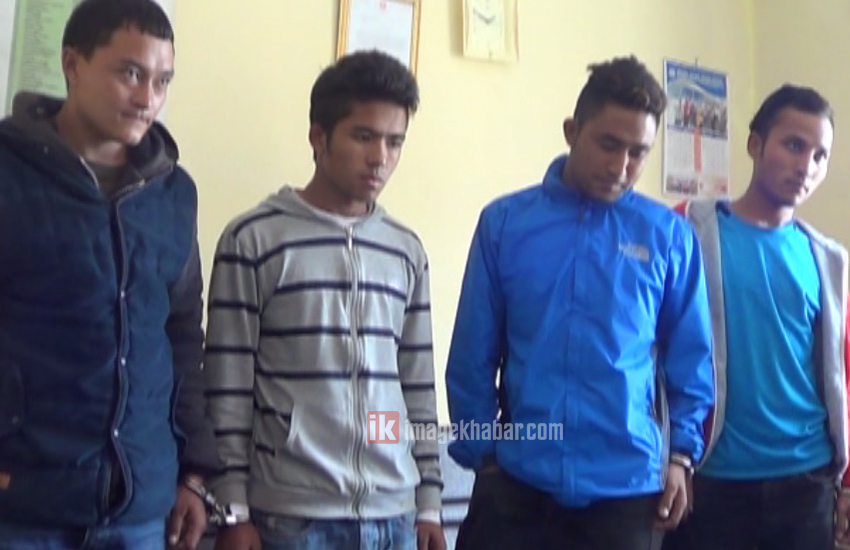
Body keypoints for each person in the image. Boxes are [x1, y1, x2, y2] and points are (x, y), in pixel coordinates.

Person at [444, 56, 715, 550]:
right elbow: (472, 354)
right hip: (517, 483)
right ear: (572, 131)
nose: (620, 167)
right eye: (608, 145)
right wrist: (482, 453)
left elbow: (691, 359)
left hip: (625, 490)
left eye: (638, 152)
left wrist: (681, 456)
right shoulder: (506, 224)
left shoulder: (668, 237)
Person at [204, 50, 445, 550]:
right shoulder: (254, 239)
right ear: (319, 137)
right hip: (292, 517)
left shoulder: (405, 250)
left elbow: (415, 386)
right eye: (363, 136)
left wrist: (427, 503)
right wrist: (233, 509)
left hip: (394, 515)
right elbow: (228, 386)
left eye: (394, 141)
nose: (380, 157)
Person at [0, 0, 218, 548]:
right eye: (130, 74)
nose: (148, 98)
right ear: (73, 64)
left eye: (162, 81)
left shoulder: (173, 193)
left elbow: (182, 336)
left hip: (139, 508)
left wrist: (194, 473)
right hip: (23, 505)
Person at [662, 85, 850, 550]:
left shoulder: (829, 259)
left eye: (820, 155)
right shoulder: (685, 230)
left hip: (807, 482)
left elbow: (842, 373)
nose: (806, 165)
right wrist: (672, 456)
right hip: (710, 479)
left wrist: (846, 482)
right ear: (754, 144)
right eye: (793, 145)